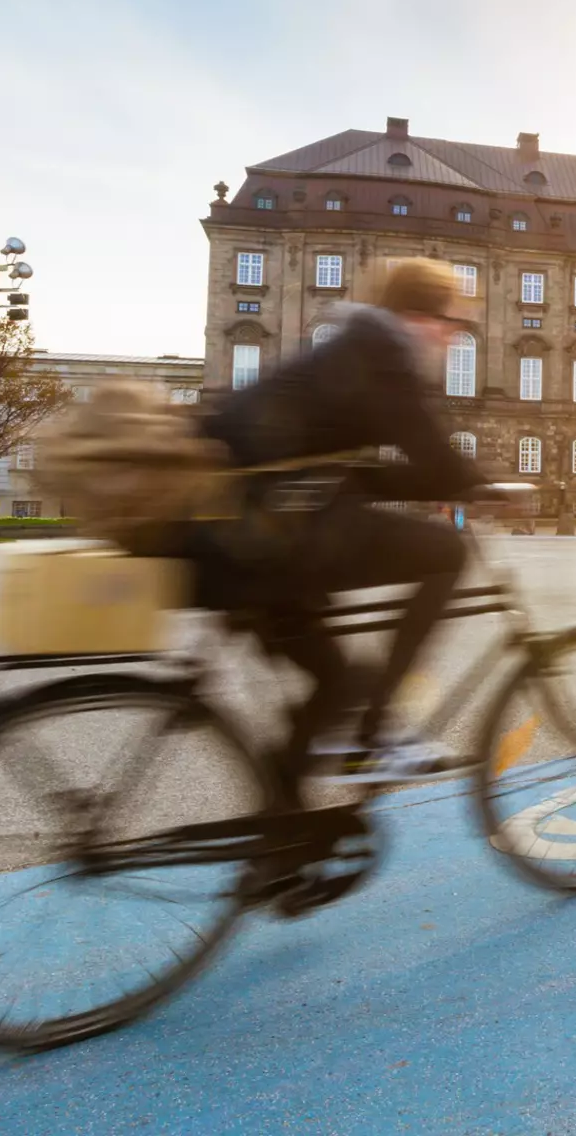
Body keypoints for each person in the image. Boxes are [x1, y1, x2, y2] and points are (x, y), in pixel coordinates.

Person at [190, 258, 490, 795]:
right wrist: (478, 484)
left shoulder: (356, 349)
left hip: (239, 532)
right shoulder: (382, 354)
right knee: (446, 553)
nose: (453, 335)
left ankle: (281, 850)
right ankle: (377, 732)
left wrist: (454, 482)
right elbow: (432, 458)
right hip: (260, 534)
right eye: (450, 321)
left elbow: (361, 477)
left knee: (335, 686)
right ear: (417, 314)